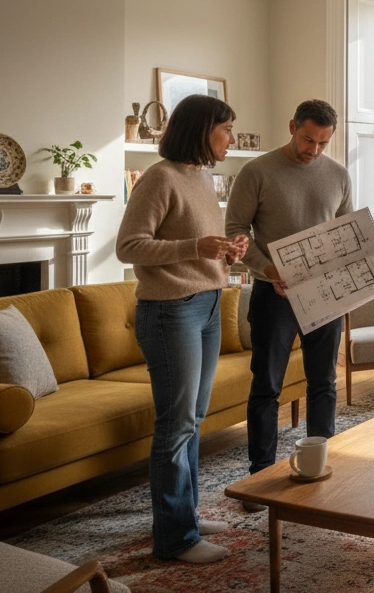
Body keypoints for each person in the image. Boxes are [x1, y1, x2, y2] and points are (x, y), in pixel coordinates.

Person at [225, 99, 374, 498]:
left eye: (322, 143)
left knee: (323, 382)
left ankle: (320, 464)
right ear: (292, 127)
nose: (313, 150)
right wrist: (268, 269)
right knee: (267, 386)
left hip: (325, 295)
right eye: (307, 139)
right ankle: (259, 476)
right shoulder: (257, 171)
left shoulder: (338, 175)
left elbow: (348, 234)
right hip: (273, 295)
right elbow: (235, 230)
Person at [117, 94, 248, 564]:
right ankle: (175, 539)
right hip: (171, 311)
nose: (230, 138)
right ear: (201, 129)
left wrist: (227, 250)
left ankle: (184, 516)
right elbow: (129, 246)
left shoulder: (202, 177)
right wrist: (196, 246)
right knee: (176, 425)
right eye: (226, 129)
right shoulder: (160, 177)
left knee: (192, 420)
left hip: (208, 305)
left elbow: (196, 246)